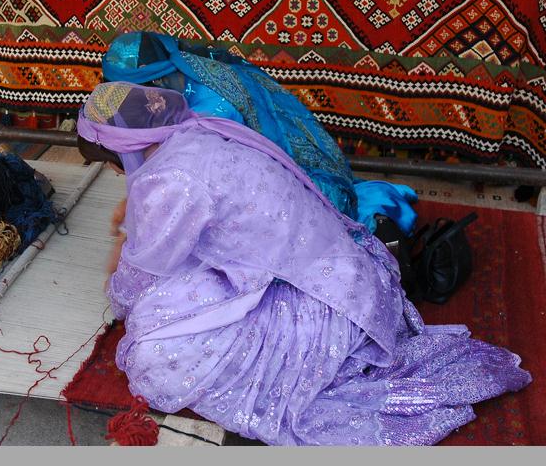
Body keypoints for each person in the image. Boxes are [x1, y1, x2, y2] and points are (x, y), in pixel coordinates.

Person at [77, 81, 531, 446]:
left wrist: (123, 304)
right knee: (179, 289)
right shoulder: (200, 132)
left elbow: (144, 271)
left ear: (123, 151)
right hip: (350, 277)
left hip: (320, 305)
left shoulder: (170, 178)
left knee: (154, 351)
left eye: (116, 167)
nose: (122, 176)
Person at [102, 31, 417, 236]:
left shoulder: (212, 109)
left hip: (269, 176)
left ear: (156, 82)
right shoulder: (172, 83)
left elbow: (208, 175)